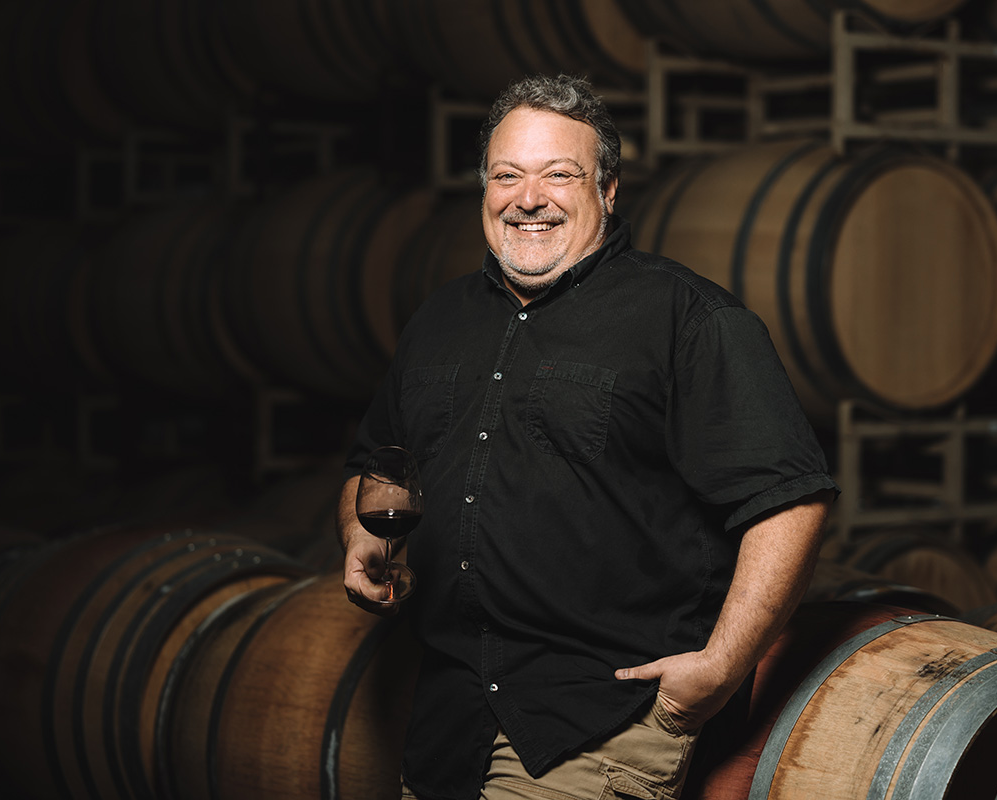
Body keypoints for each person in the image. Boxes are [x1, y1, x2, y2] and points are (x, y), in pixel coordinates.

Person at [337, 73, 838, 800]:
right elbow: (375, 464)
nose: (528, 197)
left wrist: (721, 669)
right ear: (484, 189)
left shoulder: (688, 319)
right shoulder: (438, 322)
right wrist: (359, 533)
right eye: (507, 175)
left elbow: (789, 501)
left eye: (558, 175)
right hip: (446, 719)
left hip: (595, 725)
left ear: (607, 191)